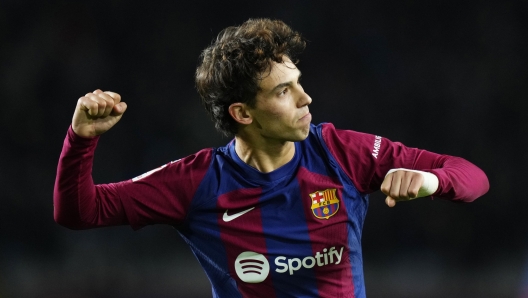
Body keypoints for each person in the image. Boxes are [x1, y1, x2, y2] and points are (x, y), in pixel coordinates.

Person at [54, 18, 489, 298]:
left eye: (298, 82)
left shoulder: (340, 152)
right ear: (242, 113)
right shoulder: (196, 182)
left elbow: (472, 177)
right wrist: (80, 138)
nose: (306, 97)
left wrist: (429, 182)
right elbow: (79, 212)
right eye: (284, 91)